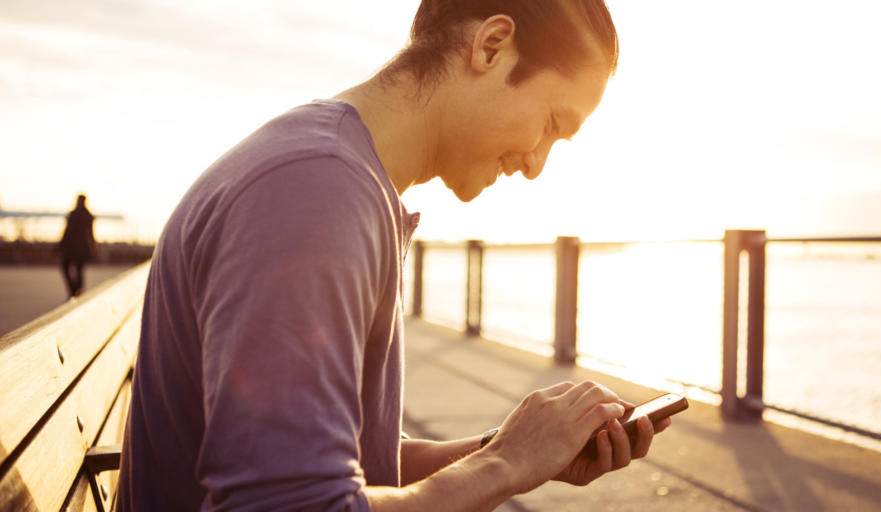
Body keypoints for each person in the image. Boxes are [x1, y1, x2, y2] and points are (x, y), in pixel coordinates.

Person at [117, 1, 672, 510]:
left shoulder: (337, 175)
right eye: (552, 125)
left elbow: (352, 464)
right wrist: (505, 463)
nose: (536, 165)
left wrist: (517, 450)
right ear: (492, 46)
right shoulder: (315, 191)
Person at [57, 194, 96, 298]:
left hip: (73, 247)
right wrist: (93, 247)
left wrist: (61, 245)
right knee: (78, 269)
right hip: (83, 248)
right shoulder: (88, 215)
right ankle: (77, 291)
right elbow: (91, 234)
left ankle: (74, 291)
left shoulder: (74, 214)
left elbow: (67, 232)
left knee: (67, 266)